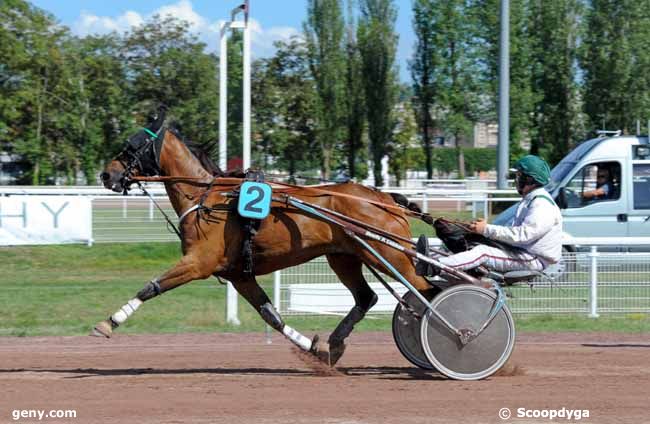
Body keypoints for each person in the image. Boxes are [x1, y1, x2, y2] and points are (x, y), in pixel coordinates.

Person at [415, 155, 563, 276]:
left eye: (519, 175)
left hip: (533, 259)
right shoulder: (531, 200)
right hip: (523, 253)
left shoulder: (542, 205)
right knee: (472, 241)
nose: (515, 180)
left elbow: (522, 235)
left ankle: (435, 265)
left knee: (482, 253)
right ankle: (435, 261)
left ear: (530, 180)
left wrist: (486, 229)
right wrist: (480, 229)